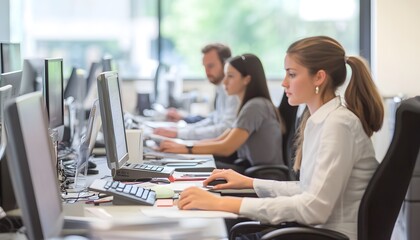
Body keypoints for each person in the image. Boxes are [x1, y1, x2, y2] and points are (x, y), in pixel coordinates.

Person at [176, 36, 384, 240]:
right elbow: (306, 189)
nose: (284, 83)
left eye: (292, 74)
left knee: (210, 228)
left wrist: (222, 203)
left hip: (326, 234)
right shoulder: (320, 119)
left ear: (319, 77)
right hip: (314, 230)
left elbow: (314, 209)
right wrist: (248, 182)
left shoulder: (338, 124)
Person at [159, 54, 285, 171]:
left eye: (230, 76)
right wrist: (184, 146)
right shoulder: (249, 104)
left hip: (263, 175)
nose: (224, 82)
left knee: (193, 167)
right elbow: (219, 139)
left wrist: (186, 149)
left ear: (246, 79)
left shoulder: (255, 106)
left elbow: (226, 148)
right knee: (193, 163)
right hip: (250, 168)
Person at [154, 43, 240, 140]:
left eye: (210, 66)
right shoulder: (220, 89)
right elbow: (213, 120)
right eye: (204, 66)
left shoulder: (234, 92)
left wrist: (179, 133)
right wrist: (181, 130)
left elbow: (225, 129)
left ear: (226, 64)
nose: (206, 72)